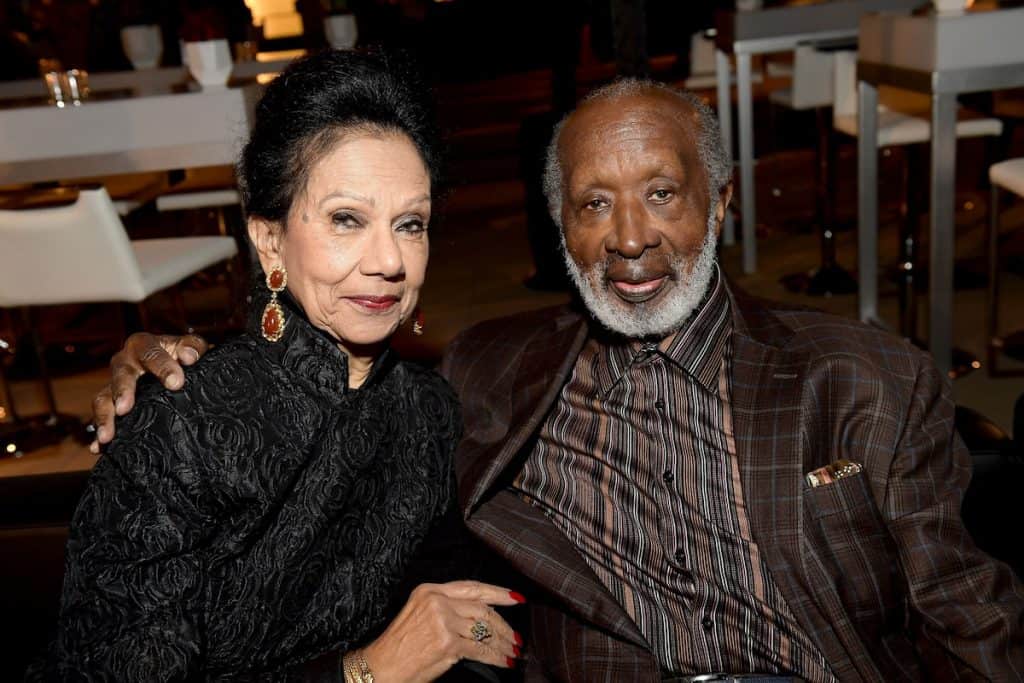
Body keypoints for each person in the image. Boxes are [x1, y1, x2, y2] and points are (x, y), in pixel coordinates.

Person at [94, 79, 1024, 681]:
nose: (628, 238)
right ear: (558, 228)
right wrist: (166, 361)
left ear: (722, 203)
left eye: (662, 193)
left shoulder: (866, 378)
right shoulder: (488, 376)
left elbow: (967, 617)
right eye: (592, 205)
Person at [43, 49, 523, 682]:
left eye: (410, 223)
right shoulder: (181, 422)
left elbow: (457, 618)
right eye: (345, 219)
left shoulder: (427, 412)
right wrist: (366, 673)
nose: (389, 260)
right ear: (269, 239)